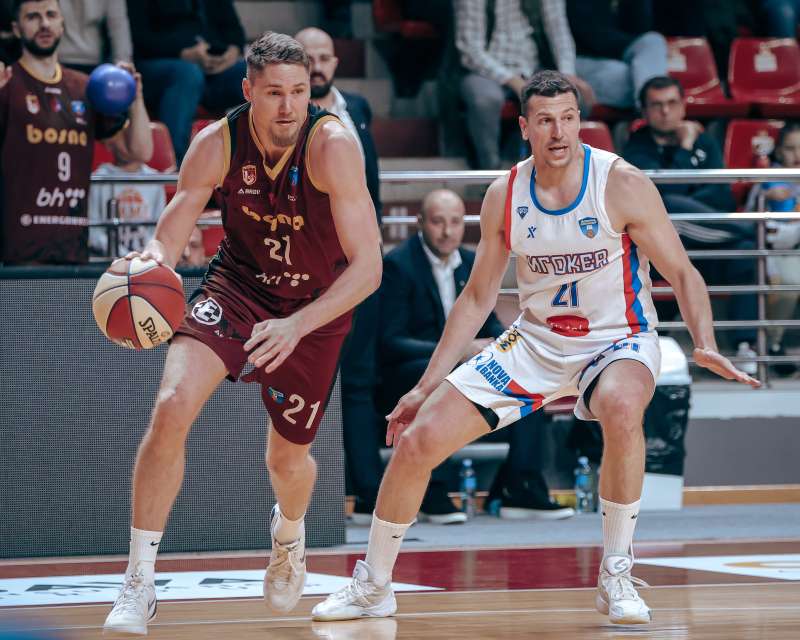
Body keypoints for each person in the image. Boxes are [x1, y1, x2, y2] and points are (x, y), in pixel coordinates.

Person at [313, 70, 759, 626]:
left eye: (568, 118)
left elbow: (684, 273)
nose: (559, 131)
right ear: (525, 127)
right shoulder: (505, 194)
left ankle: (616, 572)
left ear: (580, 122)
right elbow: (477, 298)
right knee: (418, 440)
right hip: (536, 341)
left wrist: (705, 342)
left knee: (622, 405)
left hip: (616, 339)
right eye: (545, 120)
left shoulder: (619, 183)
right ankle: (374, 585)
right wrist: (426, 386)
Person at [102, 31, 382, 634]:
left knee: (287, 461)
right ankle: (138, 583)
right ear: (248, 89)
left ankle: (288, 534)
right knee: (171, 405)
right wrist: (151, 261)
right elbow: (175, 222)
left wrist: (297, 325)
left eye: (299, 92)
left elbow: (369, 268)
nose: (289, 106)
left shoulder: (332, 146)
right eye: (275, 92)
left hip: (314, 306)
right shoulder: (218, 141)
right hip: (237, 288)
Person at [378, 188, 575, 523]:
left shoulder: (470, 262)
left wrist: (510, 346)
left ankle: (520, 486)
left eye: (455, 222)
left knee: (527, 374)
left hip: (464, 363)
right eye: (438, 222)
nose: (447, 231)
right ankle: (431, 490)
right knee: (433, 379)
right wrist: (457, 352)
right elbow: (391, 341)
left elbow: (492, 323)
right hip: (411, 369)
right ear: (420, 222)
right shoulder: (398, 265)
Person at [295, 26, 386, 521]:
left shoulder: (358, 109)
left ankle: (369, 493)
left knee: (360, 380)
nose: (317, 64)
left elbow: (372, 190)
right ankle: (314, 497)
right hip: (312, 268)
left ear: (335, 61)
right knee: (312, 380)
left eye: (325, 56)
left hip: (361, 264)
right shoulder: (287, 117)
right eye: (307, 56)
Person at [623, 76, 758, 373]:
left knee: (746, 251)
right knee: (672, 208)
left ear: (683, 106)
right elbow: (660, 200)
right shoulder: (636, 149)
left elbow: (721, 195)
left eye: (672, 103)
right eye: (656, 105)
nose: (665, 111)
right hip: (661, 254)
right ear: (644, 111)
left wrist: (687, 198)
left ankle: (745, 345)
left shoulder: (705, 142)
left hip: (705, 244)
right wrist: (685, 149)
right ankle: (752, 228)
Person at [0, 0, 152, 265]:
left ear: (62, 23)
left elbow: (137, 153)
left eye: (51, 15)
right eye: (33, 17)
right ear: (16, 28)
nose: (44, 24)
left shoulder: (84, 87)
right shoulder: (7, 84)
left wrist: (136, 97)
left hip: (73, 248)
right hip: (19, 250)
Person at [454, 0, 595, 169]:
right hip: (484, 69)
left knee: (572, 98)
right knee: (485, 101)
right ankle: (490, 171)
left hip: (531, 66)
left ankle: (548, 169)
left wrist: (567, 74)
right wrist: (514, 81)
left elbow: (559, 32)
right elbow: (471, 51)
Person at [126, 0, 248, 163]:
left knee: (255, 71)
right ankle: (175, 164)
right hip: (161, 66)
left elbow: (235, 32)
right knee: (187, 75)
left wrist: (231, 54)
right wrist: (183, 53)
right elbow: (138, 37)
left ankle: (260, 158)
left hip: (214, 69)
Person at [744, 121, 800, 376]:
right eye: (790, 148)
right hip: (773, 248)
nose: (797, 155)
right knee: (788, 282)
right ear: (779, 151)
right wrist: (766, 195)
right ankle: (770, 344)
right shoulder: (767, 180)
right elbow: (748, 223)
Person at [567, 0, 667, 110]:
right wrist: (638, 63)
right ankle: (654, 112)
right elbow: (595, 39)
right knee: (632, 76)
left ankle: (651, 112)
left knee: (654, 40)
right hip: (577, 61)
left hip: (619, 51)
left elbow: (641, 28)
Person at [88, 131, 166, 258]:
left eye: (133, 135)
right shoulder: (98, 179)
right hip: (108, 260)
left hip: (146, 260)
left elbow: (158, 231)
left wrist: (144, 255)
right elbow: (93, 232)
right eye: (124, 135)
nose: (131, 142)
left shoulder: (155, 180)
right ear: (109, 143)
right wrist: (124, 255)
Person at [58, 0, 133, 75]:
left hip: (67, 60)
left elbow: (118, 26)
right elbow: (118, 27)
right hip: (86, 61)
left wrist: (123, 66)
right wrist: (123, 65)